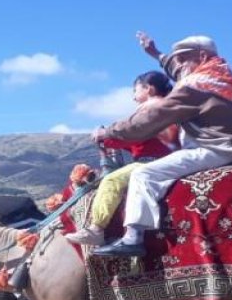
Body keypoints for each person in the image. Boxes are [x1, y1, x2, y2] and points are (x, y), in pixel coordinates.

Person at [92, 32, 232, 257]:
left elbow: (152, 118)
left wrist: (109, 131)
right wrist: (156, 54)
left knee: (143, 175)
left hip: (213, 149)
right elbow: (179, 69)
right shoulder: (219, 77)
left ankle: (133, 238)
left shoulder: (194, 85)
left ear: (201, 56)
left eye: (183, 58)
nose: (178, 65)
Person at [65, 71, 177, 246]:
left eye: (135, 90)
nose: (133, 97)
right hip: (166, 159)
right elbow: (137, 141)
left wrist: (105, 136)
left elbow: (133, 134)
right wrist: (111, 142)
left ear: (149, 89)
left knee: (111, 180)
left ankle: (96, 229)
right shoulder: (171, 108)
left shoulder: (151, 108)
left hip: (152, 162)